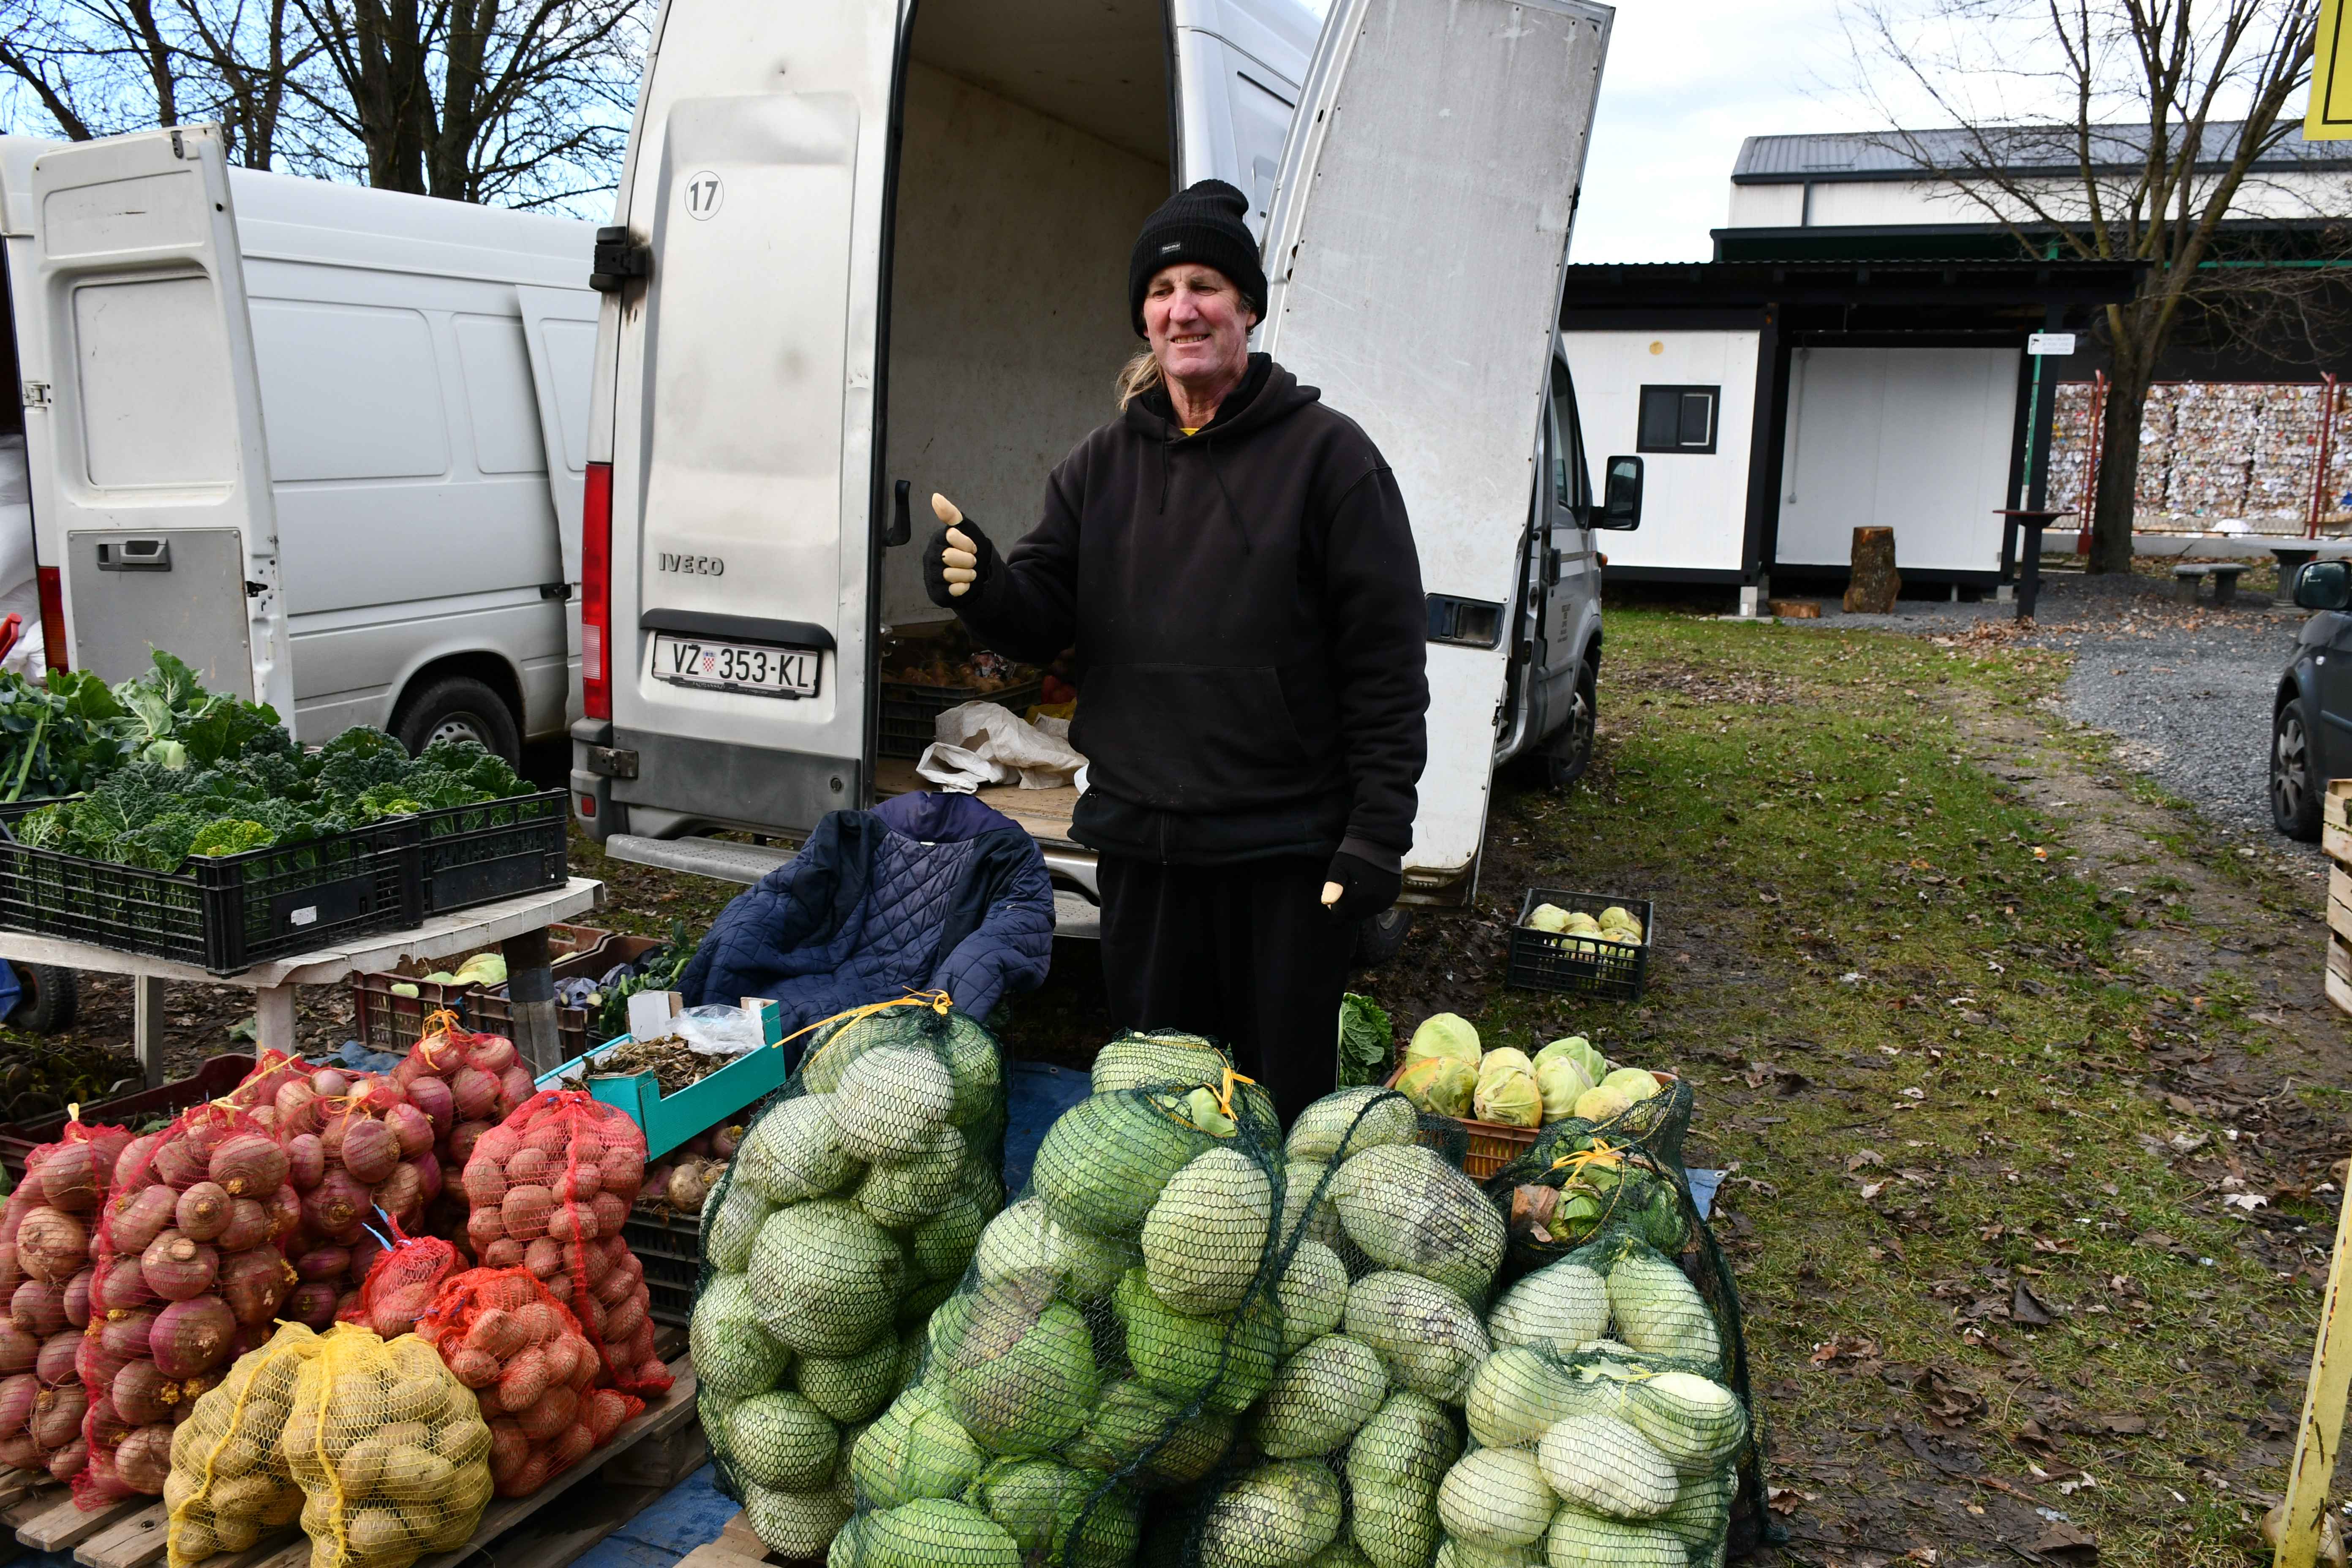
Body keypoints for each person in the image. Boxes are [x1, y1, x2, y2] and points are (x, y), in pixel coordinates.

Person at [920, 179, 1428, 1118]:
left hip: (1290, 855)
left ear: (1247, 308)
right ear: (1144, 319)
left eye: (1204, 285)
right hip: (1148, 853)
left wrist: (1377, 832)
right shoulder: (1097, 468)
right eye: (1161, 290)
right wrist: (984, 585)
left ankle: (1276, 1264)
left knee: (1282, 1109)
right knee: (1159, 1111)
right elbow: (1042, 615)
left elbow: (1387, 665)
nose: (1181, 307)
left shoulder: (1331, 460)